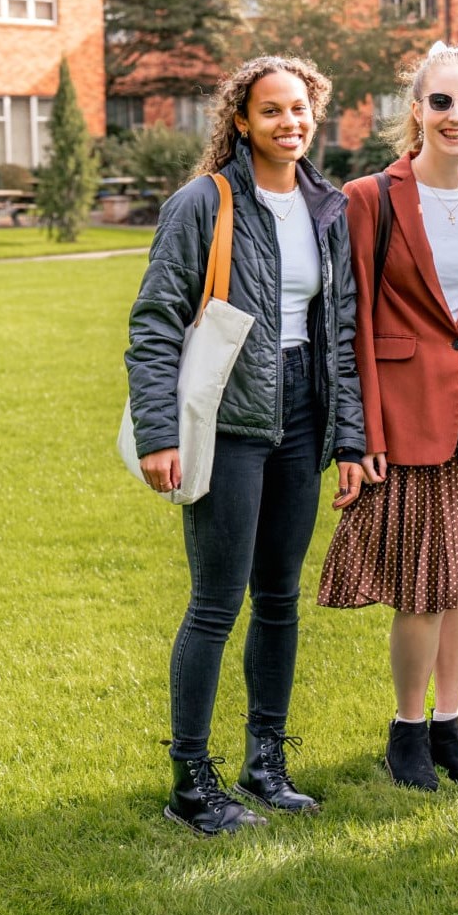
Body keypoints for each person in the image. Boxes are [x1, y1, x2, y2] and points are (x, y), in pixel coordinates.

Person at [125, 55, 365, 836]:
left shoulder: (327, 204)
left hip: (303, 416)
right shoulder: (205, 201)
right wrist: (161, 432)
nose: (289, 123)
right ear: (241, 120)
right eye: (271, 111)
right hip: (226, 420)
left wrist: (351, 439)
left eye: (300, 109)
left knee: (281, 599)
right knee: (215, 603)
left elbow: (343, 333)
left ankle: (267, 761)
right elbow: (156, 318)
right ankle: (191, 781)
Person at [319, 43, 458, 790]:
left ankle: (450, 724)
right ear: (415, 109)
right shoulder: (369, 198)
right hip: (405, 415)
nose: (456, 116)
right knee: (422, 585)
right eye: (441, 101)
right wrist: (362, 434)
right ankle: (406, 729)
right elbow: (347, 324)